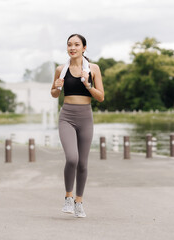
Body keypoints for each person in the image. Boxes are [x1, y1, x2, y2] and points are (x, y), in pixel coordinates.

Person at [51, 34, 104, 218]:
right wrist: (57, 87)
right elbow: (54, 94)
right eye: (69, 45)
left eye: (76, 44)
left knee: (82, 163)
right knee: (72, 158)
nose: (72, 47)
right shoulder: (61, 69)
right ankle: (68, 197)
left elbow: (101, 97)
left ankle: (79, 202)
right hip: (67, 116)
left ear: (84, 48)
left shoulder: (93, 69)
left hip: (85, 117)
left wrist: (88, 85)